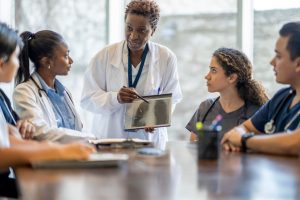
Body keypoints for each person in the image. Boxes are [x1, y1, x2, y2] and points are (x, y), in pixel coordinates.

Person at [0, 22, 94, 198]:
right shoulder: (24, 91)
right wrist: (57, 150)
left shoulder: (63, 91)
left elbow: (12, 138)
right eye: (15, 57)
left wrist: (13, 131)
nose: (18, 63)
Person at [81, 0, 182, 149]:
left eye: (142, 30)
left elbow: (172, 98)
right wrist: (116, 98)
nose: (133, 36)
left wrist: (155, 118)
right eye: (129, 28)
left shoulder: (166, 57)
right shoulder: (103, 57)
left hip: (148, 141)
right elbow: (87, 99)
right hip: (111, 139)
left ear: (152, 30)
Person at [221, 21, 300, 156]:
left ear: (298, 63)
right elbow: (243, 128)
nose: (272, 62)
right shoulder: (282, 97)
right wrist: (237, 137)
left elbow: (295, 144)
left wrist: (245, 140)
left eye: (278, 56)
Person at [13, 29, 95, 142]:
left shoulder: (64, 92)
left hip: (74, 155)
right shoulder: (24, 92)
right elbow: (40, 132)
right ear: (47, 62)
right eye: (66, 56)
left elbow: (76, 129)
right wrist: (91, 138)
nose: (71, 61)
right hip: (49, 157)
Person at [186, 48, 268, 141]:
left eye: (213, 70)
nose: (207, 76)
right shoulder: (205, 107)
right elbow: (193, 147)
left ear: (232, 78)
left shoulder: (257, 113)